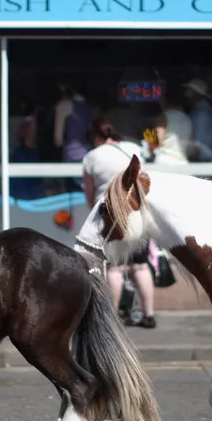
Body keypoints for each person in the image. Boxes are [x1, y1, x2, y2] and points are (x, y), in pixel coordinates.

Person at [80, 118, 157, 328]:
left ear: (96, 136)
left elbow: (89, 194)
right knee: (140, 266)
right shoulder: (132, 149)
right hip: (138, 213)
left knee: (115, 268)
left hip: (111, 217)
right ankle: (149, 314)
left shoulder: (91, 157)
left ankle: (113, 317)